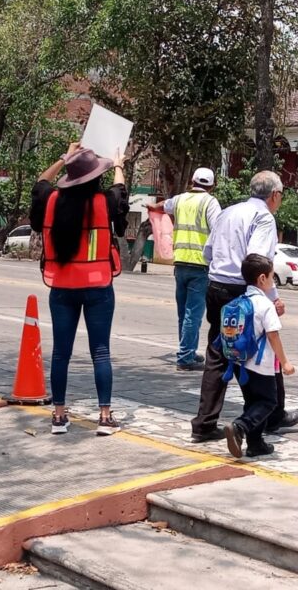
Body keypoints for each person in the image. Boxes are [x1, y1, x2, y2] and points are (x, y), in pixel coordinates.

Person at [190, 170, 298, 443]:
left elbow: (208, 252)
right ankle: (268, 415)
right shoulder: (263, 217)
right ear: (274, 195)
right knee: (261, 352)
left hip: (216, 286)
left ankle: (204, 423)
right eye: (281, 195)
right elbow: (257, 262)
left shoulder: (228, 212)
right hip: (242, 290)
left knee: (217, 352)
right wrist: (270, 297)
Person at [30, 142, 129, 436]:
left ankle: (59, 416)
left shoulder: (51, 201)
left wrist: (64, 157)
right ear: (96, 177)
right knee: (101, 352)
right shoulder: (104, 202)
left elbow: (40, 183)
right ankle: (104, 416)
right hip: (98, 286)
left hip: (61, 286)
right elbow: (120, 192)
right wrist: (119, 164)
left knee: (61, 354)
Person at [147, 168, 221, 371]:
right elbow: (218, 228)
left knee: (184, 312)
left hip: (180, 263)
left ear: (192, 181)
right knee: (193, 314)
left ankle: (187, 350)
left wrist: (153, 206)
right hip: (200, 264)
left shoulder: (179, 200)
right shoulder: (210, 202)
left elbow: (164, 206)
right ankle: (186, 357)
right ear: (212, 185)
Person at [224, 254, 296, 458]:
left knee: (252, 402)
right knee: (268, 402)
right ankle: (240, 426)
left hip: (239, 362)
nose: (272, 282)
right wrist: (285, 362)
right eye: (272, 277)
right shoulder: (265, 305)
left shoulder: (239, 300)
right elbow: (273, 335)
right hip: (260, 364)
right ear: (262, 278)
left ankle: (255, 444)